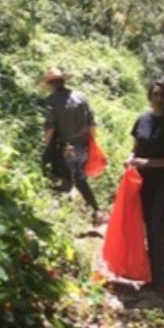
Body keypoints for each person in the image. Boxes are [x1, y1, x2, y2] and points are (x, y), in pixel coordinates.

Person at [126, 79, 164, 295]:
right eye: (156, 94)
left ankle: (161, 284)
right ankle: (150, 277)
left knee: (157, 228)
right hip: (143, 182)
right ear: (150, 96)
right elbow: (135, 148)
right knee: (147, 226)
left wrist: (148, 163)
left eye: (163, 95)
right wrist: (130, 158)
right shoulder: (142, 120)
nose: (159, 99)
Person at [40, 68, 103, 224]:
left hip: (65, 147)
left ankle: (60, 220)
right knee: (80, 179)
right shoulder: (81, 97)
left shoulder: (51, 101)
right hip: (83, 145)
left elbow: (50, 127)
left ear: (49, 84)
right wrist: (90, 143)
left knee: (63, 180)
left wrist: (47, 146)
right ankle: (97, 211)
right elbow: (92, 125)